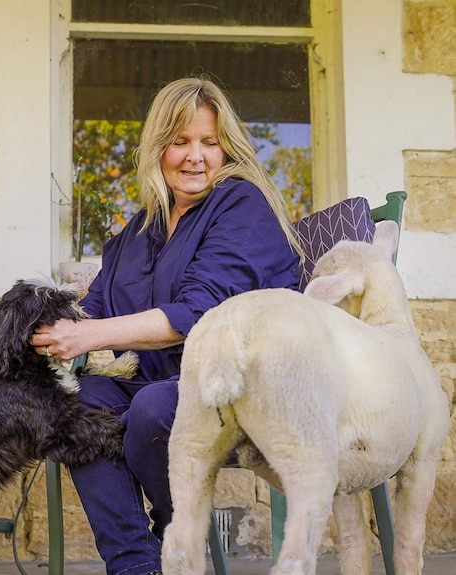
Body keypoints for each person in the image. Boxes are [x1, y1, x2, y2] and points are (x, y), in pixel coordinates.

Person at [30, 77, 302, 575]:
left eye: (209, 143)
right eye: (180, 142)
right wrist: (40, 324)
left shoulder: (241, 206)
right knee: (75, 403)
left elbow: (196, 314)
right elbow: (98, 304)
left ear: (228, 150)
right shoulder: (142, 227)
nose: (194, 156)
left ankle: (182, 529)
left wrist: (87, 337)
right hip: (163, 383)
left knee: (155, 408)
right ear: (158, 149)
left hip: (241, 385)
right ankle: (136, 564)